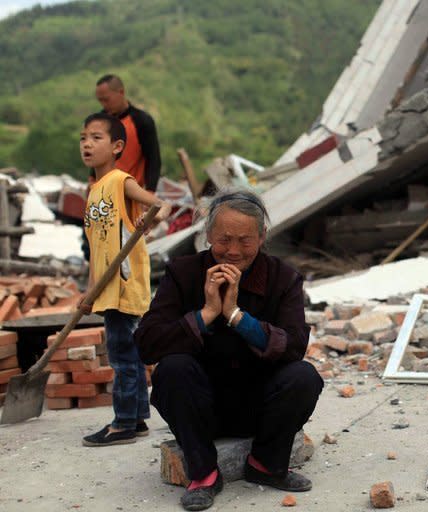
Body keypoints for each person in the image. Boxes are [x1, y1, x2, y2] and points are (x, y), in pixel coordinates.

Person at [134, 188, 323, 511]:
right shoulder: (183, 272)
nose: (233, 251)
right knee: (172, 369)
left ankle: (266, 465)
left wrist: (236, 316)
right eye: (223, 239)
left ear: (262, 237)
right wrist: (206, 313)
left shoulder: (283, 278)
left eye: (245, 240)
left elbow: (293, 346)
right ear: (207, 235)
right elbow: (147, 344)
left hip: (259, 409)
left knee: (303, 376)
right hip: (200, 409)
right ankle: (204, 474)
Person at [79, 112, 171, 447]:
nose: (87, 144)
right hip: (106, 286)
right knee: (128, 353)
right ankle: (137, 419)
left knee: (121, 356)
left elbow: (160, 205)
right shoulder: (93, 192)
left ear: (117, 146)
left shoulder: (120, 181)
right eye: (83, 138)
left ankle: (122, 424)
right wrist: (90, 291)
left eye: (96, 137)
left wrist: (150, 221)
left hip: (125, 282)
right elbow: (96, 248)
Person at [95, 74, 161, 191]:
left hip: (132, 191)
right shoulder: (100, 121)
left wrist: (150, 191)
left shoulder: (141, 121)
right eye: (100, 100)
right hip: (105, 191)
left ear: (121, 92)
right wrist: (92, 179)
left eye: (106, 99)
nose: (103, 104)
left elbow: (153, 159)